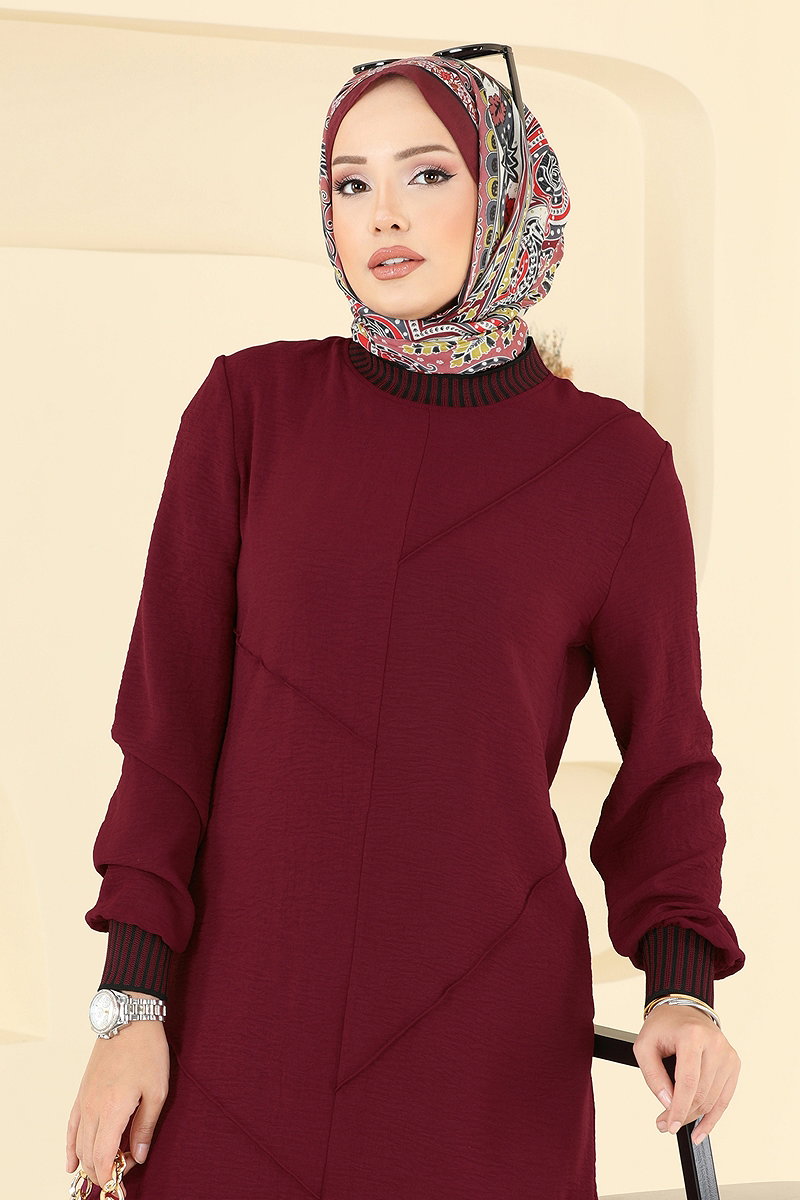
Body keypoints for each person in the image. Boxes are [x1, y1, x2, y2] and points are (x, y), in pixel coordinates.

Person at [66, 51, 745, 1199]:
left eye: (426, 174)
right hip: (242, 1019)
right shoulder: (250, 410)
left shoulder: (614, 469)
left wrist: (680, 988)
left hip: (483, 1038)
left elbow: (667, 761)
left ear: (508, 193)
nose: (381, 213)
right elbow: (166, 733)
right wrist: (130, 1005)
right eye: (350, 182)